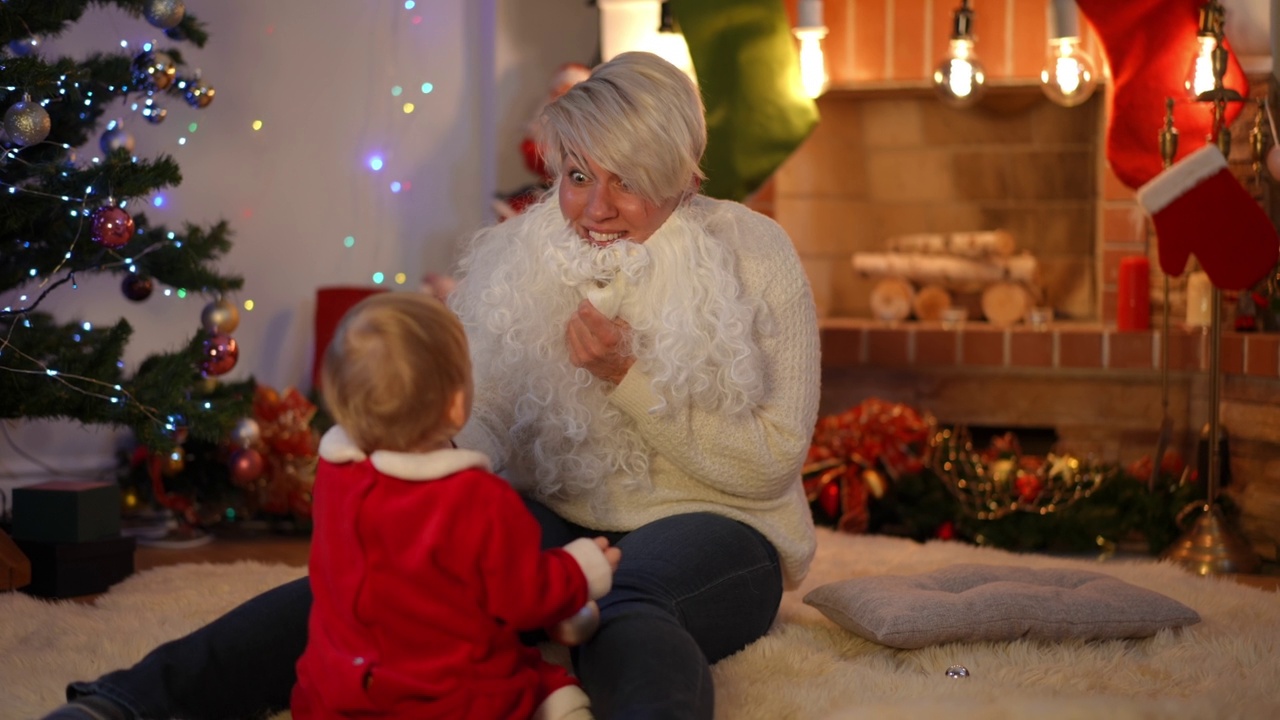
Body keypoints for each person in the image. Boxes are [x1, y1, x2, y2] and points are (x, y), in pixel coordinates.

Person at [44, 50, 820, 720]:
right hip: (557, 520)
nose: (593, 208)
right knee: (378, 583)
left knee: (626, 606)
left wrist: (627, 377)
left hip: (721, 527)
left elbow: (769, 464)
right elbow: (474, 430)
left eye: (628, 182)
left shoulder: (757, 254)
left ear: (682, 173)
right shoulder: (522, 253)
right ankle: (126, 701)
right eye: (578, 175)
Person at [292, 291, 619, 719]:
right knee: (530, 676)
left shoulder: (336, 475)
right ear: (456, 403)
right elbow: (523, 598)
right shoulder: (478, 499)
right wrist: (579, 571)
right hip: (445, 702)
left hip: (334, 695)